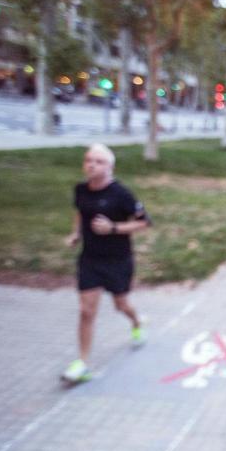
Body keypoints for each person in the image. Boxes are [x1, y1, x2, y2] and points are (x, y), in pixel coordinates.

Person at [62, 143, 151, 382]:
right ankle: (82, 363)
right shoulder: (80, 190)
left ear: (110, 167)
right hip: (90, 259)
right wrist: (76, 234)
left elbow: (144, 222)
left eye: (98, 161)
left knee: (121, 305)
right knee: (86, 311)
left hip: (118, 260)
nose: (91, 165)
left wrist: (113, 228)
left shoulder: (121, 194)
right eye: (88, 160)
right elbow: (80, 212)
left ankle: (136, 321)